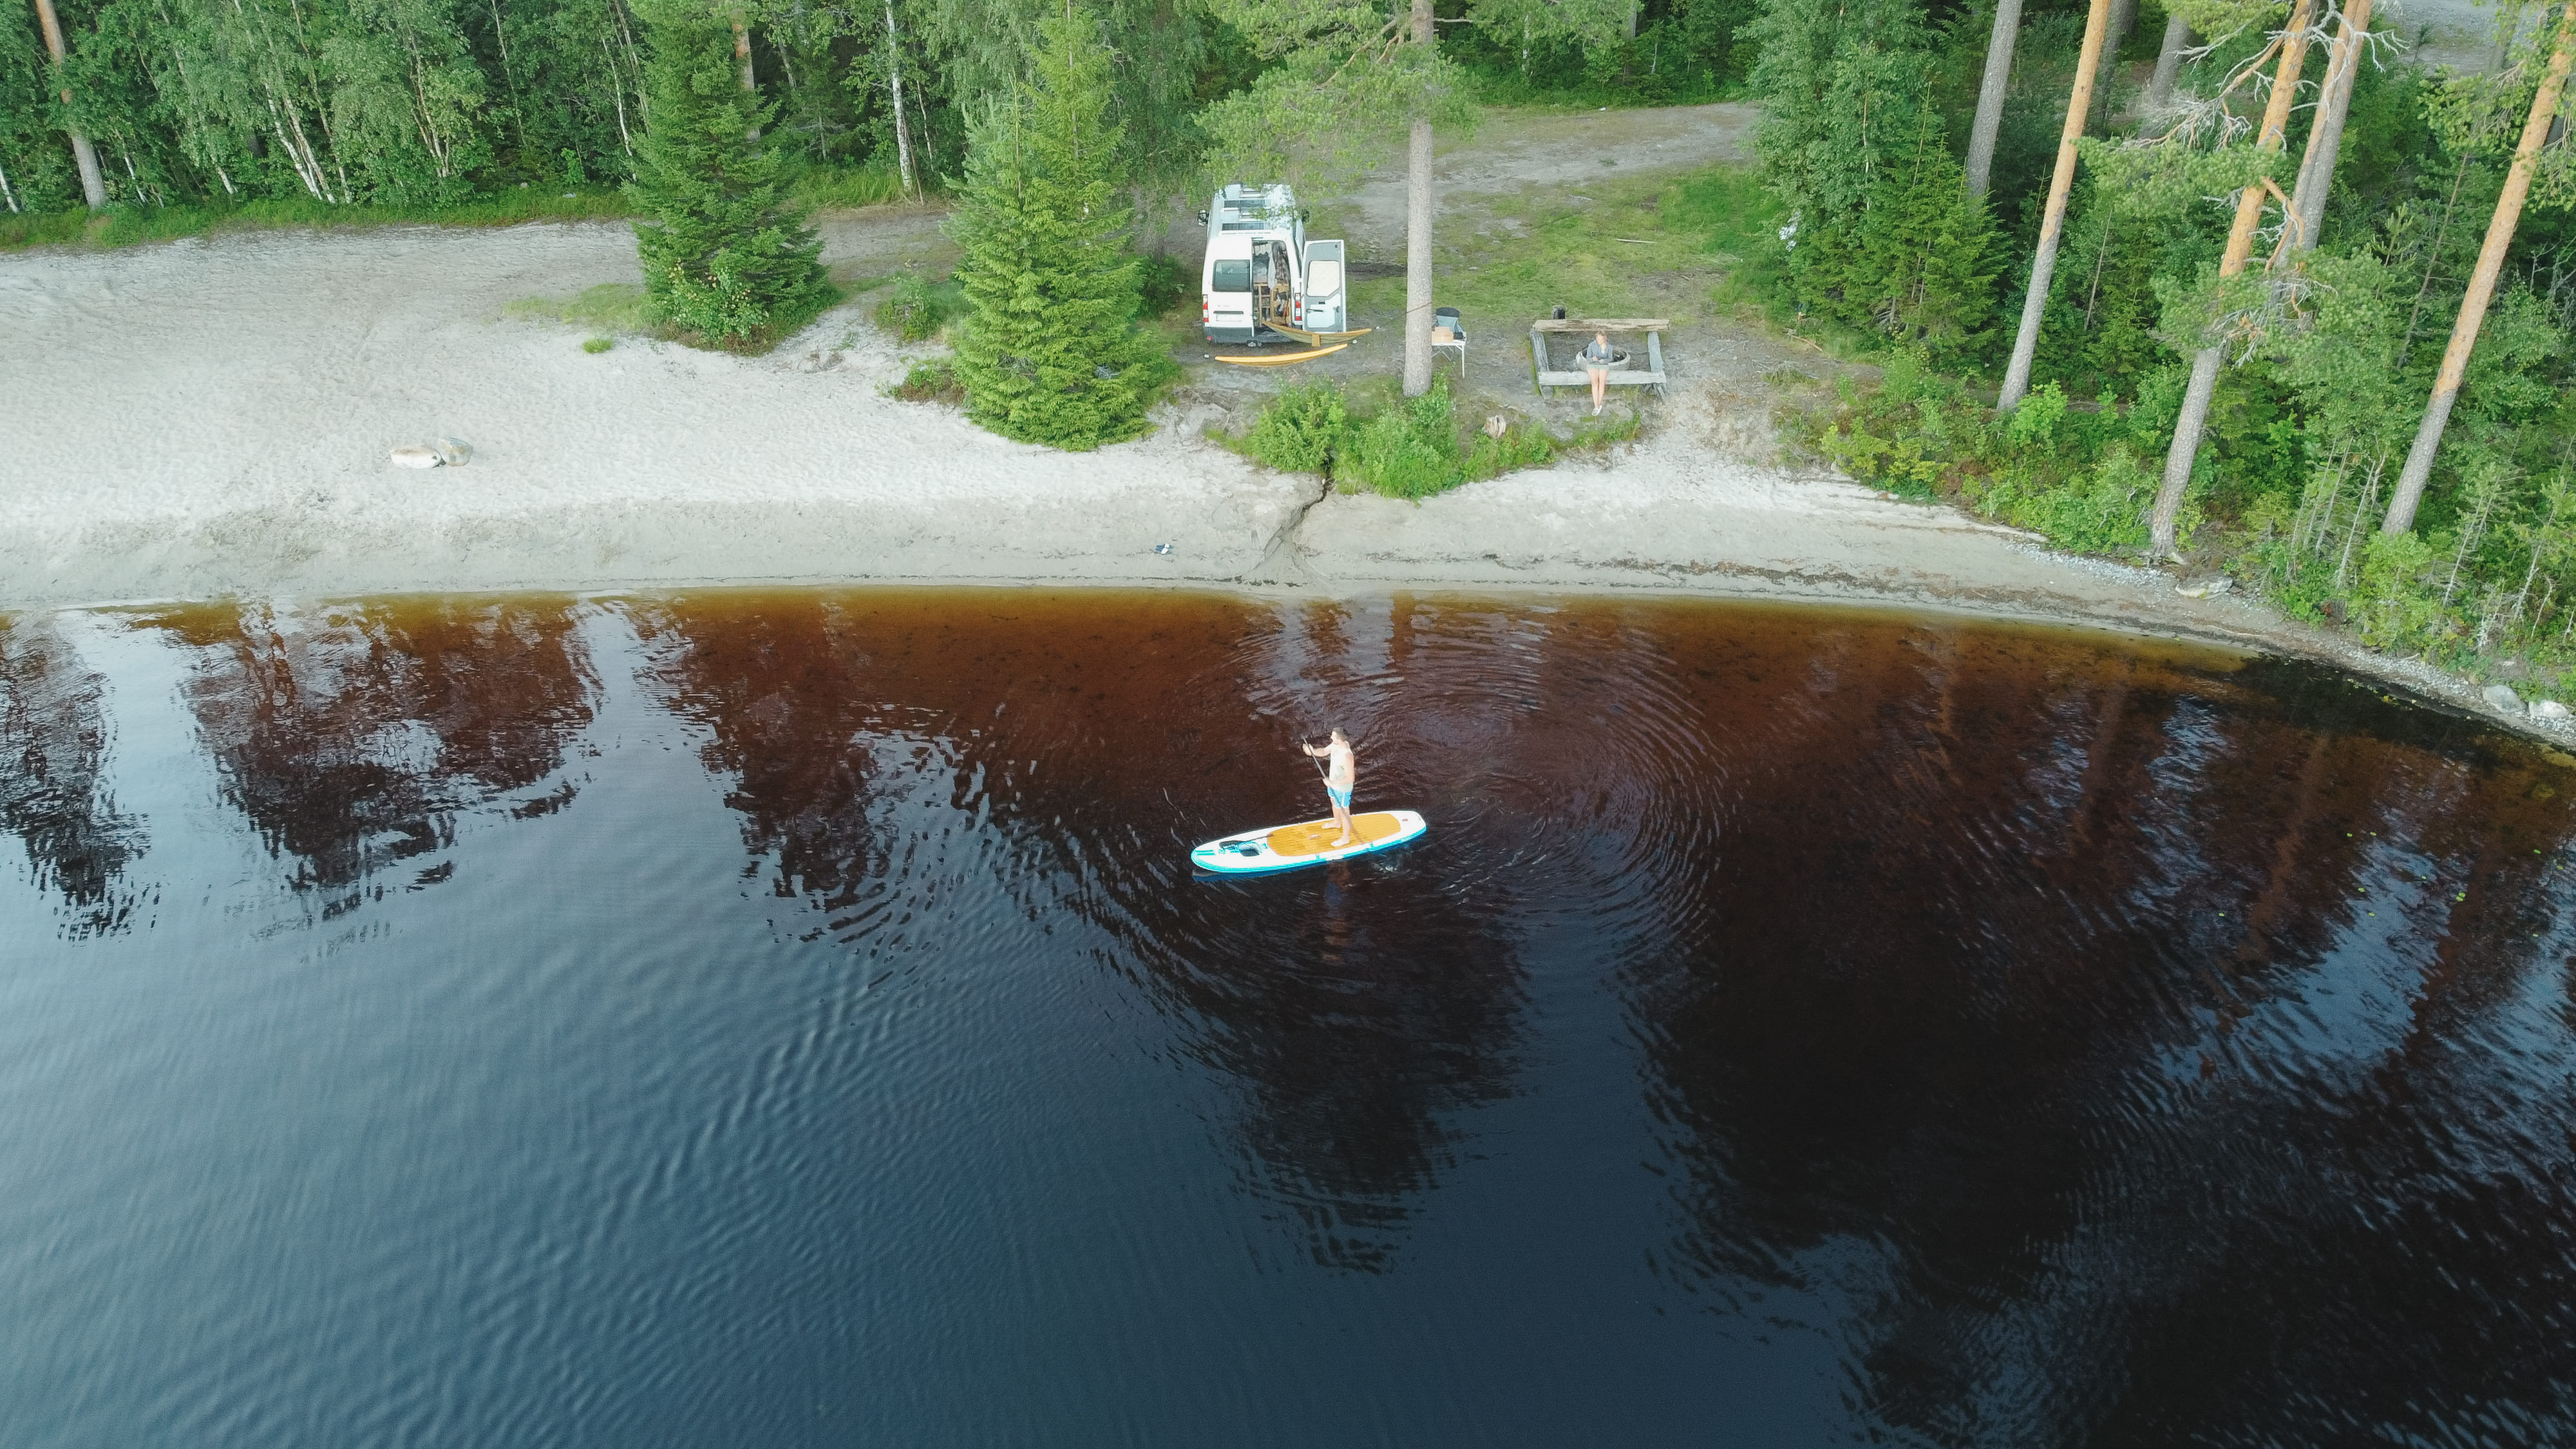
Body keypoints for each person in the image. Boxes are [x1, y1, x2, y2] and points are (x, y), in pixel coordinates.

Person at [1302, 728, 1358, 846]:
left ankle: (1345, 838)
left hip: (1342, 789)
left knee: (1344, 812)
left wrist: (1332, 784)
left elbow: (1350, 778)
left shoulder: (1347, 756)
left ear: (1340, 739)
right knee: (1333, 801)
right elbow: (1324, 751)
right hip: (1332, 783)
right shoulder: (1336, 744)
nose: (1331, 738)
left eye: (1333, 737)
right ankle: (1337, 823)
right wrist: (1313, 751)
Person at [1579, 331, 1617, 415]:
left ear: (1605, 339)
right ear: (1596, 338)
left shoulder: (1608, 347)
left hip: (1603, 365)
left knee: (1602, 382)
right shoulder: (1592, 345)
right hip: (1593, 364)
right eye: (1598, 339)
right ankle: (1596, 405)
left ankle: (1598, 404)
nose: (1600, 341)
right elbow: (1588, 359)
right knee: (1594, 382)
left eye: (1602, 340)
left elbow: (1610, 358)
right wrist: (1593, 359)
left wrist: (1604, 361)